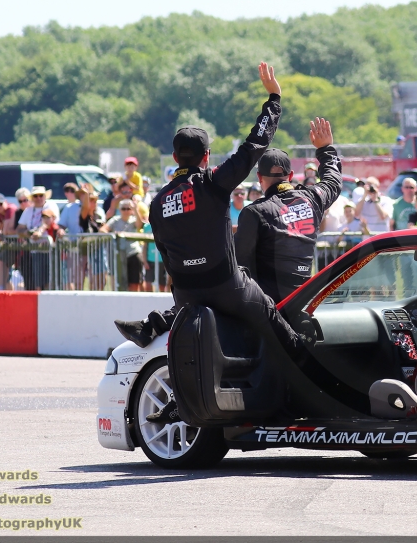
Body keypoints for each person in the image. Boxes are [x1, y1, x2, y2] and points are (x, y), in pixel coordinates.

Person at [115, 62, 307, 394]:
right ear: (206, 156)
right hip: (227, 287)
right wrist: (274, 99)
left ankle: (159, 321)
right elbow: (255, 146)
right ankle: (309, 374)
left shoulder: (158, 202)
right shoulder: (212, 182)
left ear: (175, 157)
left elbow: (166, 254)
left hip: (187, 293)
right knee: (274, 320)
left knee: (189, 300)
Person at [234, 117, 341, 303]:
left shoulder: (255, 212)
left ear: (259, 178)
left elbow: (239, 263)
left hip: (269, 310)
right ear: (290, 176)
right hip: (305, 302)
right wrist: (326, 149)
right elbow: (333, 181)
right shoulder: (313, 198)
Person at [102, 199, 145, 291]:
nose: (126, 211)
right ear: (120, 209)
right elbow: (103, 230)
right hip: (119, 255)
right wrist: (113, 234)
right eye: (123, 208)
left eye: (128, 208)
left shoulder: (134, 220)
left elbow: (139, 225)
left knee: (135, 282)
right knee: (120, 282)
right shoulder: (115, 220)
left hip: (133, 253)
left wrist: (135, 209)